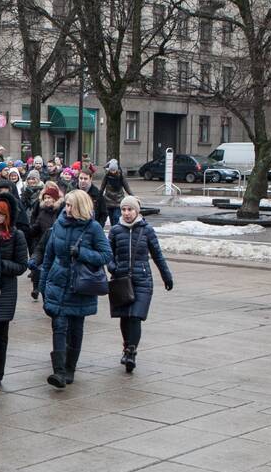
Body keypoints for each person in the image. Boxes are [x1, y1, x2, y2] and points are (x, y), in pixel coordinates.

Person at [39, 189, 113, 389]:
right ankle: (59, 371)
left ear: (80, 206)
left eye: (71, 205)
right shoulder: (59, 224)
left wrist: (82, 253)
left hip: (80, 285)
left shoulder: (93, 227)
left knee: (75, 329)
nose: (67, 208)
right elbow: (48, 257)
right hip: (57, 282)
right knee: (58, 326)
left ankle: (70, 368)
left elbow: (106, 255)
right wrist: (42, 284)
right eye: (67, 204)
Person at [108, 196, 173, 373]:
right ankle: (127, 346)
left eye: (130, 210)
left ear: (137, 211)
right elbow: (108, 254)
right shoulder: (115, 231)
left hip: (142, 280)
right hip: (121, 280)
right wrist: (114, 268)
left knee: (135, 316)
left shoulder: (147, 231)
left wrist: (166, 276)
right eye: (124, 210)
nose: (127, 213)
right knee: (125, 316)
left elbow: (158, 255)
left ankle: (131, 352)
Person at [0, 193, 28, 388]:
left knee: (1, 335)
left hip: (5, 290)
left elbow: (21, 266)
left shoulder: (16, 236)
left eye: (1, 214)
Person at [28, 182, 63, 299]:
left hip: (56, 246)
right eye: (45, 198)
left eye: (49, 198)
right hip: (42, 244)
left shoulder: (61, 212)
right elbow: (35, 228)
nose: (47, 200)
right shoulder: (42, 212)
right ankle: (37, 288)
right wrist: (25, 229)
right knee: (38, 269)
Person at [101, 160, 134, 228]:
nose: (112, 172)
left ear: (116, 169)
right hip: (108, 200)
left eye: (114, 170)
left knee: (116, 217)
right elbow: (102, 187)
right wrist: (98, 196)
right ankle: (114, 231)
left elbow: (126, 187)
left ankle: (116, 230)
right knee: (111, 218)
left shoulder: (120, 175)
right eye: (111, 170)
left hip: (118, 201)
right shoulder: (107, 175)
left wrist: (132, 196)